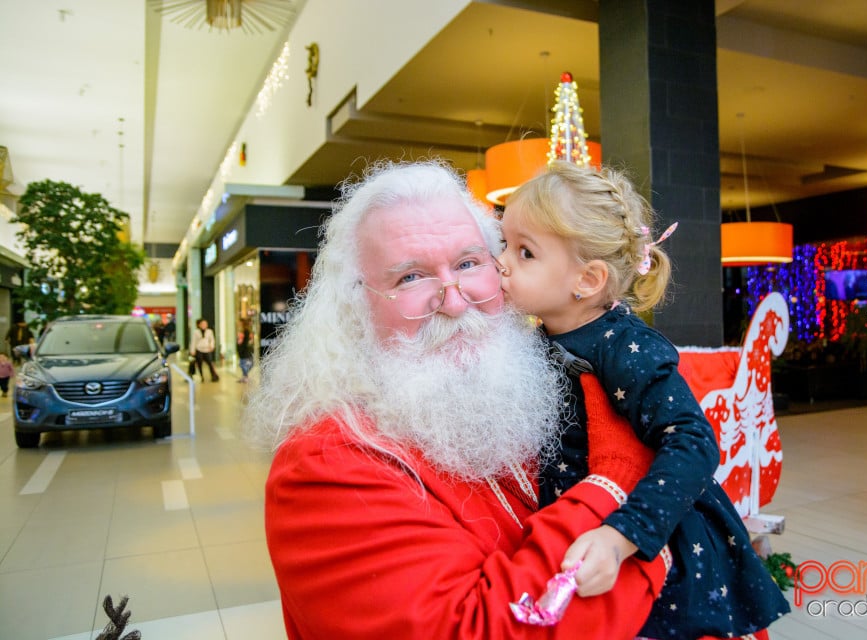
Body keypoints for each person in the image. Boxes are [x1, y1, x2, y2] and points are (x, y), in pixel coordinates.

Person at [244, 160, 673, 640]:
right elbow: (473, 630)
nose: (453, 300)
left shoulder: (537, 387)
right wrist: (625, 495)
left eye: (469, 264)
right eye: (410, 277)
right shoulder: (323, 466)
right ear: (354, 306)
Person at [498, 161, 791, 640]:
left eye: (525, 252)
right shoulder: (538, 337)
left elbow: (694, 441)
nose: (502, 262)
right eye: (503, 244)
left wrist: (622, 538)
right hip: (575, 528)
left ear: (587, 280)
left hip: (652, 545)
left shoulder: (621, 347)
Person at [190, 318, 219, 382]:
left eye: (205, 324)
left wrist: (212, 346)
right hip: (199, 349)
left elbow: (212, 340)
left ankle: (214, 375)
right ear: (199, 325)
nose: (204, 325)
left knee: (210, 363)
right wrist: (192, 350)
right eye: (202, 324)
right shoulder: (196, 332)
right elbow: (193, 341)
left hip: (207, 350)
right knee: (199, 363)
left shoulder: (209, 331)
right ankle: (201, 376)